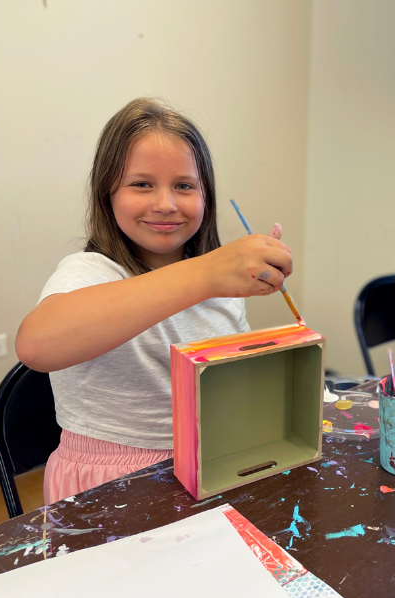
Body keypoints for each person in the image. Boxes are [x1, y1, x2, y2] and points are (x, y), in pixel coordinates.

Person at [15, 98, 293, 503]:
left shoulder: (222, 289)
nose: (166, 204)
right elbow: (36, 345)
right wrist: (206, 273)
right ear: (107, 193)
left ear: (205, 196)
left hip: (210, 467)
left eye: (184, 185)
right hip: (109, 489)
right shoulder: (90, 272)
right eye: (141, 184)